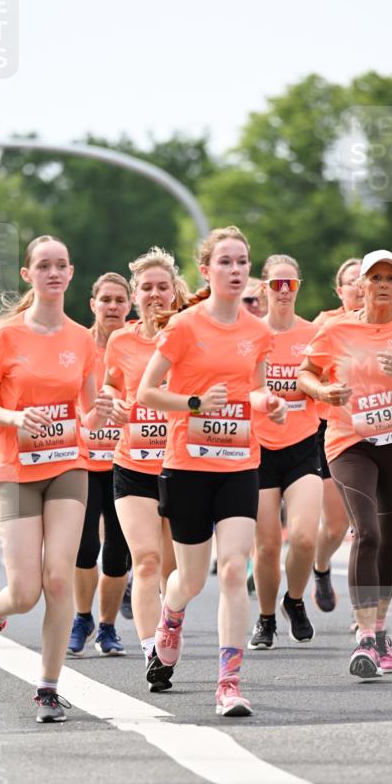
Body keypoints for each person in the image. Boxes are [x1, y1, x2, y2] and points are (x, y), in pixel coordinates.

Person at [138, 225, 287, 716]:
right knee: (191, 578)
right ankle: (171, 613)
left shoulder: (258, 331)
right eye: (225, 262)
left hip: (241, 463)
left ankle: (228, 682)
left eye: (242, 261)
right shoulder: (183, 327)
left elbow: (258, 390)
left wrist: (271, 404)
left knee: (232, 570)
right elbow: (146, 392)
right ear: (206, 270)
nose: (236, 270)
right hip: (187, 466)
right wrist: (195, 402)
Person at [0, 235, 112, 722]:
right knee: (25, 591)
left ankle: (48, 687)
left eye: (61, 265)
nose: (53, 272)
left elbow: (88, 413)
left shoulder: (81, 339)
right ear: (29, 275)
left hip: (70, 463)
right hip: (16, 468)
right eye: (43, 266)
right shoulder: (6, 336)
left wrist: (102, 413)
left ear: (71, 274)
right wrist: (13, 419)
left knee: (57, 577)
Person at [299, 249, 392, 679]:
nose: (382, 284)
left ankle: (380, 630)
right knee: (367, 532)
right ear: (359, 285)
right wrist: (322, 393)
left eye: (390, 278)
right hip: (349, 441)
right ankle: (364, 638)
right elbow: (305, 372)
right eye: (374, 277)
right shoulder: (336, 328)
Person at [102, 247, 181, 683]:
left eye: (162, 287)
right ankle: (153, 652)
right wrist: (114, 403)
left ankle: (169, 630)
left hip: (182, 466)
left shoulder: (191, 334)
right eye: (146, 288)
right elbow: (112, 385)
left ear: (175, 292)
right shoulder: (122, 340)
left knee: (175, 572)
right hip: (132, 465)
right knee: (146, 562)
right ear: (135, 295)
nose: (154, 295)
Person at [249, 254, 321, 649]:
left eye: (289, 284)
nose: (283, 291)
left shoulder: (313, 334)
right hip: (258, 451)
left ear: (299, 287)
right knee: (267, 545)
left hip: (302, 446)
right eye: (276, 284)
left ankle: (294, 600)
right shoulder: (250, 334)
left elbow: (326, 379)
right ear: (263, 288)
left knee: (306, 537)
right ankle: (264, 618)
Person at [69, 272, 131, 657]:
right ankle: (82, 616)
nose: (112, 306)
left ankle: (107, 628)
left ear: (130, 305)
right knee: (84, 544)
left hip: (129, 460)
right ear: (93, 304)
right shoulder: (77, 345)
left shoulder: (141, 344)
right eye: (105, 299)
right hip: (82, 458)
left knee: (119, 549)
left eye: (119, 300)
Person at [310, 258, 363, 614]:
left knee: (366, 526)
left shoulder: (390, 325)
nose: (360, 286)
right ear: (339, 290)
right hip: (330, 429)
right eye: (351, 281)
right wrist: (325, 390)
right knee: (335, 525)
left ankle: (366, 614)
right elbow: (305, 373)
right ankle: (320, 567)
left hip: (375, 432)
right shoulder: (325, 324)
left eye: (366, 279)